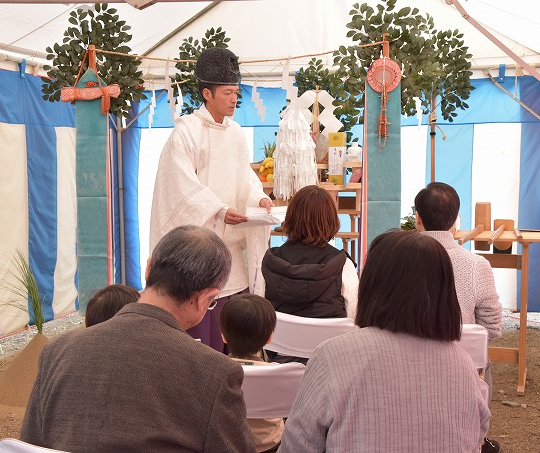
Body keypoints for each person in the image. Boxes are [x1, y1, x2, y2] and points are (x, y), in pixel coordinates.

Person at [20, 225, 255, 453]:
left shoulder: (57, 353)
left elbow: (29, 445)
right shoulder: (214, 373)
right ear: (206, 298)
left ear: (148, 268)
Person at [279, 231, 490, 452]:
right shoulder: (463, 365)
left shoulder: (333, 356)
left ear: (372, 284)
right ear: (444, 292)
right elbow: (477, 437)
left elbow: (297, 445)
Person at [150, 47, 272, 352]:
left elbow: (244, 176)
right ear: (207, 93)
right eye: (228, 93)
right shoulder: (186, 132)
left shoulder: (236, 133)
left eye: (235, 92)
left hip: (232, 252)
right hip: (199, 253)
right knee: (202, 344)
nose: (234, 99)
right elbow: (179, 185)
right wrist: (219, 210)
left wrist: (259, 199)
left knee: (235, 337)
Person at [414, 181, 503, 453]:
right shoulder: (478, 265)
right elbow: (493, 328)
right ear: (455, 220)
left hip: (406, 371)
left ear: (417, 218)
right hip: (464, 374)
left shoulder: (399, 260)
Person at [262, 185, 358, 319]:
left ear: (290, 218)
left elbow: (261, 313)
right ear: (330, 220)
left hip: (280, 339)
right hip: (330, 338)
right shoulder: (343, 265)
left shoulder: (270, 262)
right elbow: (354, 318)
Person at [220, 294, 284, 453]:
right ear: (270, 338)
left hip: (227, 444)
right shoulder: (280, 374)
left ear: (223, 336)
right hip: (271, 444)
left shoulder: (214, 371)